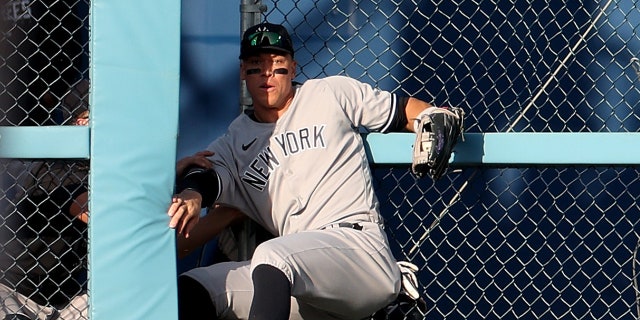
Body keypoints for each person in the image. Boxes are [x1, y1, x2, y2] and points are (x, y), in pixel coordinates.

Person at [168, 22, 451, 319]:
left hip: (358, 250)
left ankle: (386, 302)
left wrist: (432, 114)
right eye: (256, 65)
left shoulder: (330, 94)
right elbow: (206, 176)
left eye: (277, 64)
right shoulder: (235, 139)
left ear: (292, 67)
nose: (267, 74)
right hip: (302, 281)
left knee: (272, 255)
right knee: (197, 285)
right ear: (242, 71)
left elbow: (403, 110)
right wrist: (192, 194)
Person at [0, 107, 90, 320]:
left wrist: (186, 189)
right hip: (11, 288)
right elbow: (95, 211)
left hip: (68, 296)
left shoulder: (112, 172)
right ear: (79, 123)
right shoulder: (54, 166)